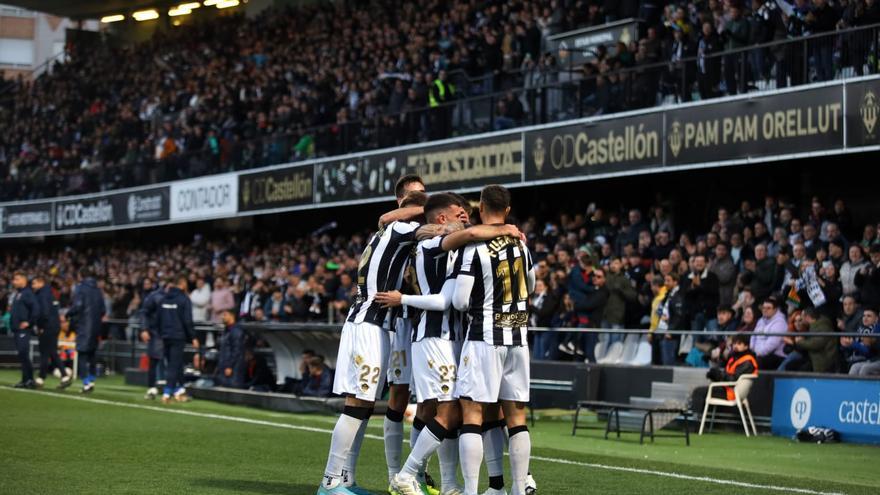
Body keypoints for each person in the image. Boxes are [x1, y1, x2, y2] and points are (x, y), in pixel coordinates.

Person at [378, 192, 521, 495]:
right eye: (460, 212)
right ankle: (406, 474)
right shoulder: (432, 245)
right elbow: (445, 300)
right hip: (434, 338)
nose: (466, 216)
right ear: (442, 218)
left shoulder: (450, 247)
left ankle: (449, 483)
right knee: (449, 410)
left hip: (450, 338)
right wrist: (504, 228)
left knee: (446, 410)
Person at [318, 189, 427, 495]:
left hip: (369, 322)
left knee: (362, 406)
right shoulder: (403, 228)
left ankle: (345, 480)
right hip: (369, 324)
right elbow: (441, 231)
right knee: (357, 404)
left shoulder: (389, 230)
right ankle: (329, 483)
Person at [451, 185, 536, 495]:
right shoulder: (522, 245)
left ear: (481, 206)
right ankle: (516, 488)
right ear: (508, 211)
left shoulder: (474, 248)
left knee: (472, 413)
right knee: (516, 417)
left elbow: (460, 300)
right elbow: (532, 285)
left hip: (484, 336)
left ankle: (472, 491)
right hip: (518, 335)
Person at [690, 334, 758, 414]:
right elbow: (728, 376)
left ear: (746, 346)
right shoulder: (734, 358)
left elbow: (733, 381)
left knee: (698, 392)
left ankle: (695, 421)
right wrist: (715, 376)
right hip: (729, 390)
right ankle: (700, 419)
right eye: (734, 343)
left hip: (732, 393)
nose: (736, 346)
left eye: (739, 344)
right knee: (701, 390)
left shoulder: (747, 361)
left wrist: (718, 374)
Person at [155, 276, 198, 403]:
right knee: (174, 365)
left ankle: (179, 390)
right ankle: (167, 393)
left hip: (165, 336)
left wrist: (161, 333)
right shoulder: (184, 299)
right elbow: (187, 320)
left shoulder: (163, 299)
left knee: (176, 363)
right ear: (183, 284)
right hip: (178, 336)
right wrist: (193, 337)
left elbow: (158, 319)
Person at [67, 268, 106, 393]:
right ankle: (92, 378)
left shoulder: (81, 288)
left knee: (82, 354)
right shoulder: (98, 290)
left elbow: (78, 305)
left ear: (80, 276)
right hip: (96, 326)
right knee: (92, 354)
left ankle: (86, 383)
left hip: (84, 325)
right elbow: (103, 310)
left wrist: (69, 313)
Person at [32, 275, 72, 389]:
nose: (33, 286)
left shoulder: (42, 295)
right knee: (51, 352)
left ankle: (42, 378)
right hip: (54, 326)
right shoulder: (51, 294)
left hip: (47, 326)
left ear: (41, 282)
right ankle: (60, 376)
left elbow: (43, 312)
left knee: (46, 352)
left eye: (34, 283)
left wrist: (40, 326)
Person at [10, 272, 39, 389]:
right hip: (17, 329)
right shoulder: (19, 293)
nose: (14, 282)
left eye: (16, 279)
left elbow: (36, 308)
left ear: (23, 280)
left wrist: (29, 322)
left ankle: (30, 379)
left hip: (23, 330)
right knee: (22, 355)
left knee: (23, 353)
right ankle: (25, 380)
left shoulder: (27, 293)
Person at [141, 278, 168, 400]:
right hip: (156, 333)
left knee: (171, 362)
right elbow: (145, 312)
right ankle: (152, 387)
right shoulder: (155, 297)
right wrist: (144, 329)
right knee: (154, 361)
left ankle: (169, 388)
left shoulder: (177, 297)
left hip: (170, 333)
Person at [794, 307, 840, 373]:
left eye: (802, 317)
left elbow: (816, 344)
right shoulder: (815, 325)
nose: (801, 319)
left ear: (807, 317)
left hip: (825, 361)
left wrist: (800, 342)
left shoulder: (822, 326)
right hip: (817, 358)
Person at [750, 297, 788, 370]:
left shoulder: (780, 322)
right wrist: (753, 348)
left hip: (775, 355)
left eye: (768, 308)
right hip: (758, 353)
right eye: (763, 308)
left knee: (759, 362)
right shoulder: (761, 320)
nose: (765, 310)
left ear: (775, 309)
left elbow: (772, 344)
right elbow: (753, 336)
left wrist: (758, 353)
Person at [215, 309, 246, 389]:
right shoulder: (226, 330)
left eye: (225, 315)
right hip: (225, 364)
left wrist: (230, 366)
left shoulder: (236, 331)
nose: (222, 317)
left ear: (232, 316)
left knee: (233, 389)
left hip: (233, 367)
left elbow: (237, 350)